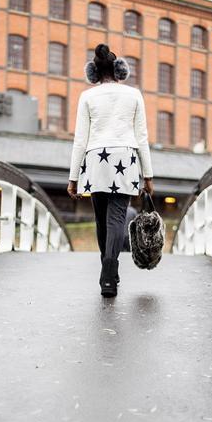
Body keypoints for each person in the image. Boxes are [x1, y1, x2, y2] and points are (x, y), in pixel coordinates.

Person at [67, 43, 154, 297]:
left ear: (94, 72)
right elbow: (142, 138)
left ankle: (108, 271)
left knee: (101, 220)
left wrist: (73, 178)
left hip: (95, 159)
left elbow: (80, 140)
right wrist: (148, 176)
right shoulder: (134, 95)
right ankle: (110, 274)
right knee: (117, 217)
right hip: (125, 160)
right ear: (120, 71)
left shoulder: (87, 97)